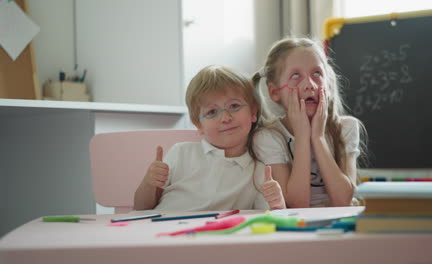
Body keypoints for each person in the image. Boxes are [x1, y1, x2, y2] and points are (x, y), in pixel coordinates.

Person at [134, 65, 286, 211]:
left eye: (234, 106)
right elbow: (141, 207)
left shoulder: (258, 172)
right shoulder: (181, 153)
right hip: (163, 231)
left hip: (213, 235)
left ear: (253, 112)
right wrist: (149, 182)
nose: (225, 118)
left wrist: (278, 202)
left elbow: (271, 217)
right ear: (198, 125)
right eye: (212, 112)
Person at [252, 37, 368, 208]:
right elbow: (298, 204)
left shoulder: (346, 128)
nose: (309, 84)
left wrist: (318, 137)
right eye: (296, 75)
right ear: (275, 92)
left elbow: (343, 201)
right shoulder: (269, 137)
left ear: (328, 85)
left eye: (317, 73)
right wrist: (302, 136)